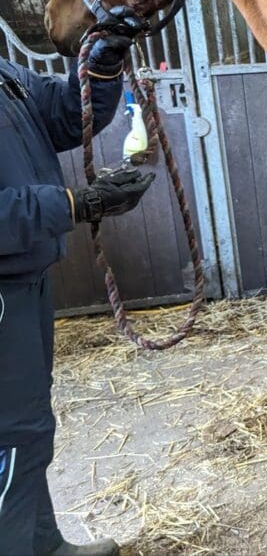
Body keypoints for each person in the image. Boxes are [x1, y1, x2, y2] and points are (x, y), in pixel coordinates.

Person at [0, 33, 155, 556]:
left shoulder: (5, 73)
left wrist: (101, 68)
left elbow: (68, 116)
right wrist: (73, 203)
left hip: (25, 275)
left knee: (29, 427)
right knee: (10, 436)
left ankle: (43, 545)